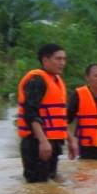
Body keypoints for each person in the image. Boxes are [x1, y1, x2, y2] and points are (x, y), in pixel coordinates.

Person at [16, 43, 70, 183]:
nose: (62, 63)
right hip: (36, 143)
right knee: (37, 186)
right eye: (58, 59)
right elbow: (30, 114)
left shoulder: (56, 80)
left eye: (64, 59)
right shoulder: (37, 81)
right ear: (45, 60)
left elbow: (60, 116)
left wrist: (70, 139)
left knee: (49, 184)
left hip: (53, 142)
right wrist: (43, 141)